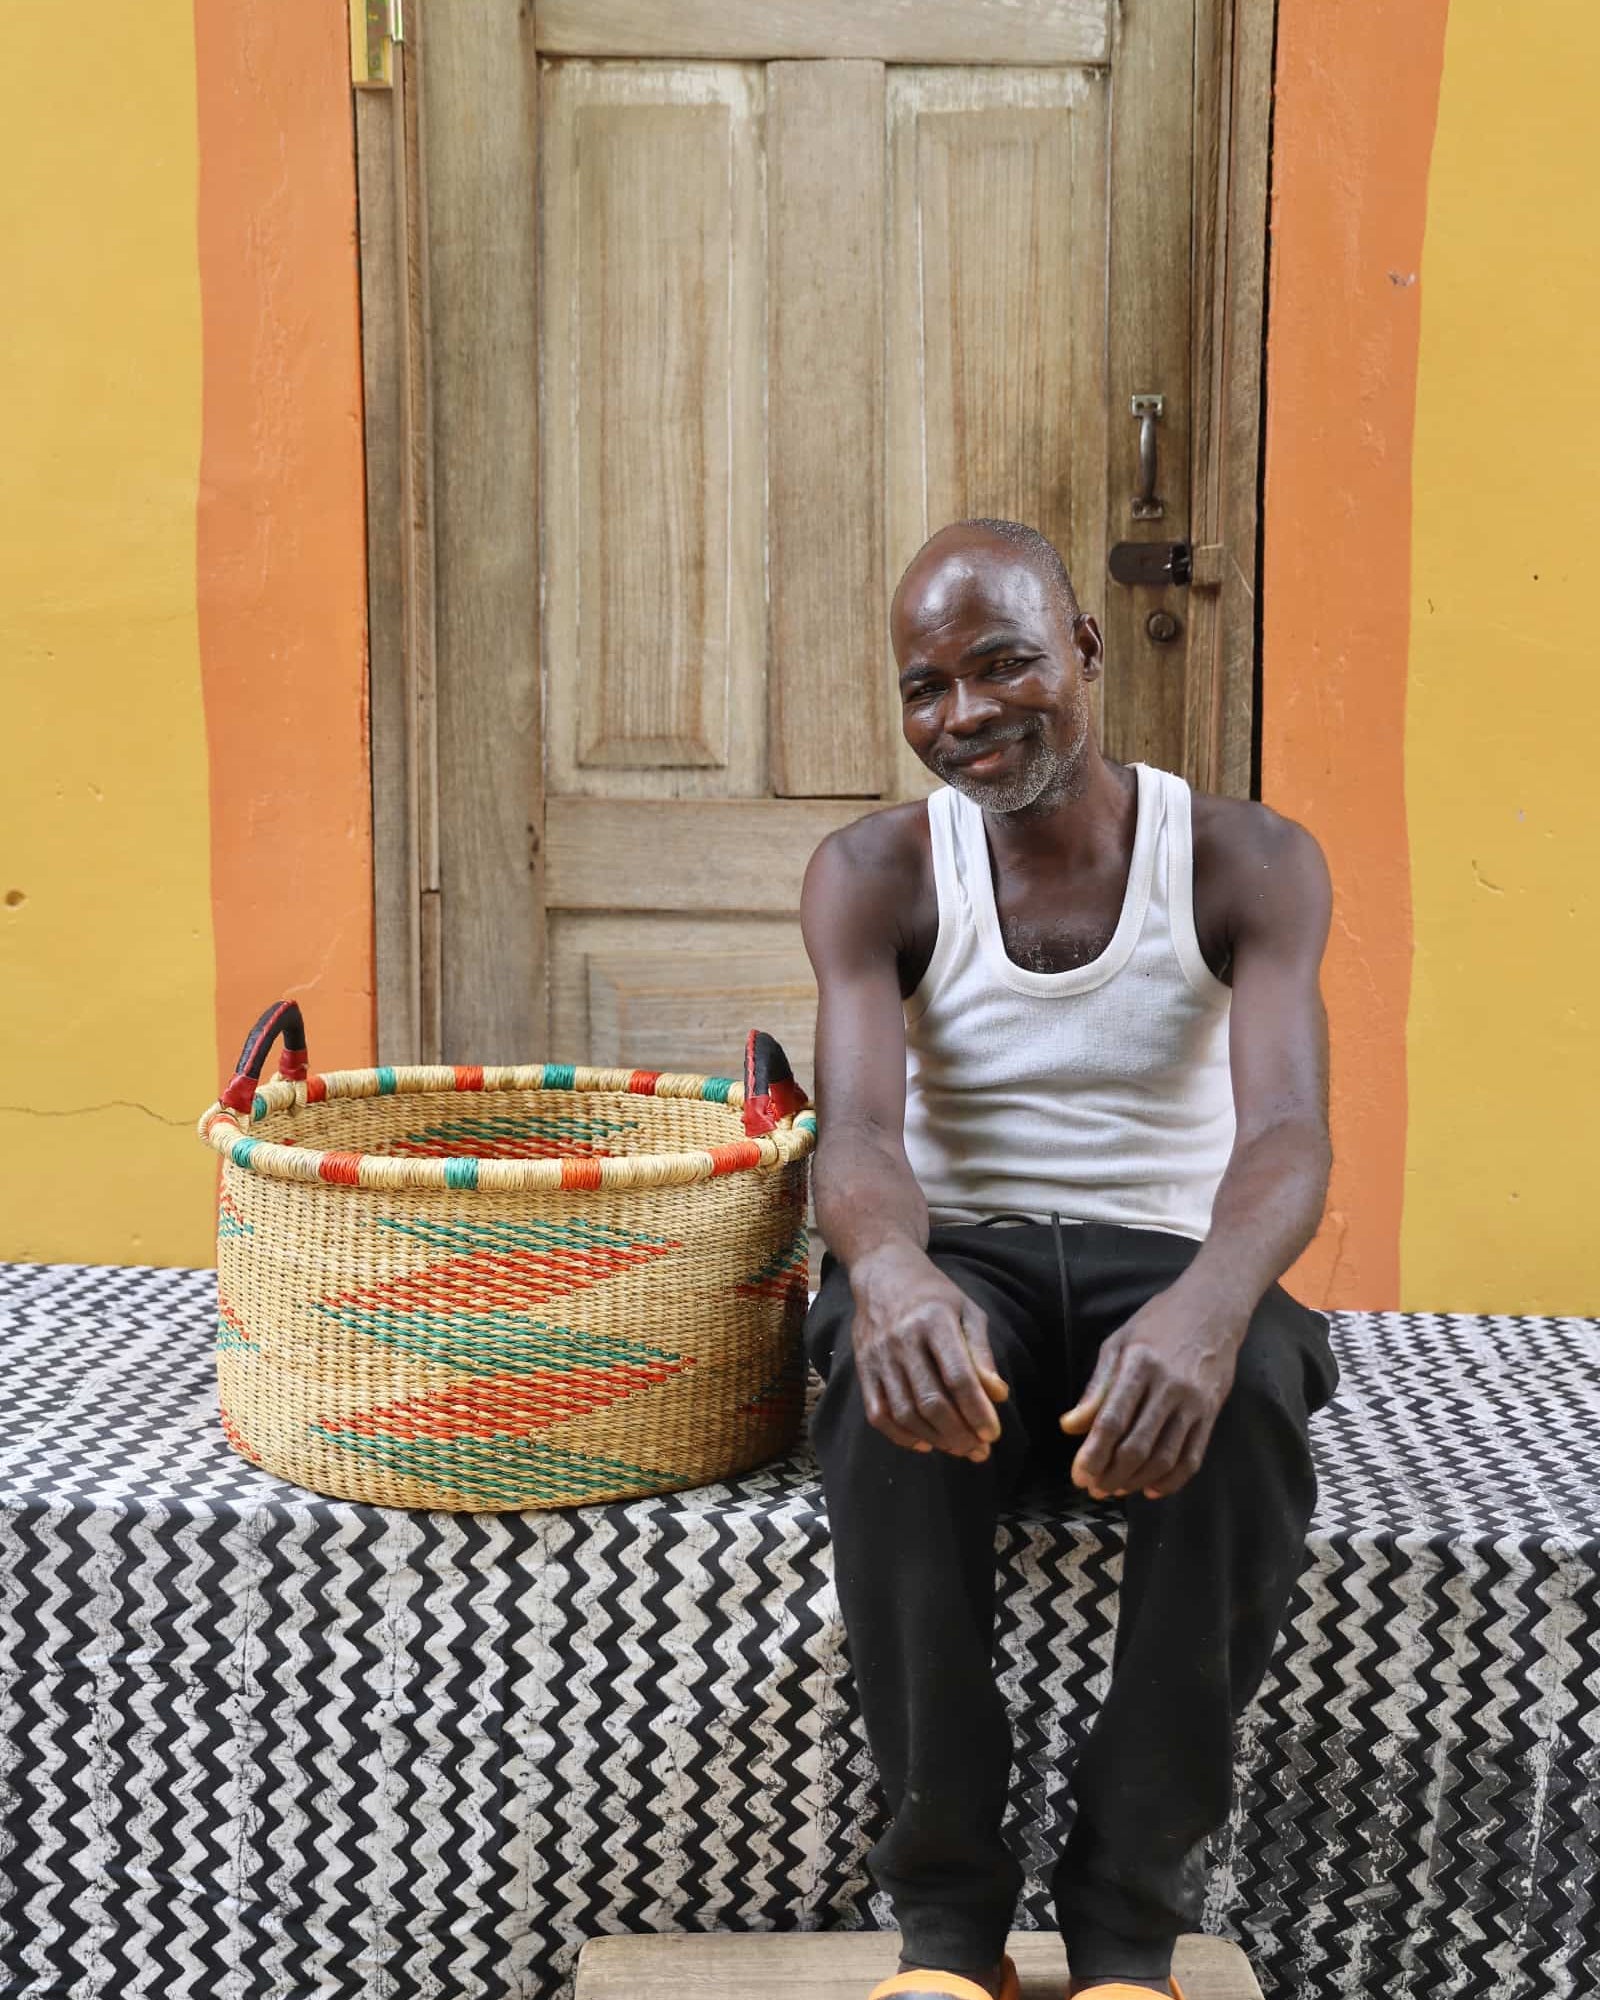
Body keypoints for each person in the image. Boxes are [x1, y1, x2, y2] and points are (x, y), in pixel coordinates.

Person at [799, 519, 1339, 2000]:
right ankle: (949, 1933)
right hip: (961, 1256)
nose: (962, 715)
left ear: (1085, 654)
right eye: (926, 687)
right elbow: (854, 1135)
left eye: (1002, 665)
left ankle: (1124, 1931)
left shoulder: (1245, 857)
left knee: (1251, 1388)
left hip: (1163, 1262)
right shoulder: (870, 871)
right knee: (879, 1367)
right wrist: (890, 1273)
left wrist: (1214, 1309)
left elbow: (1289, 1133)